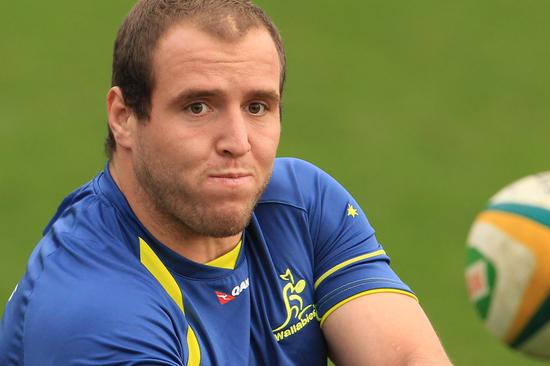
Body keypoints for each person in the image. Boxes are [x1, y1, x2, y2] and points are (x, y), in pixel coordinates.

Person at [0, 0, 452, 364]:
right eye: (198, 107)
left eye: (257, 107)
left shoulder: (300, 207)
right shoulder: (95, 312)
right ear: (124, 118)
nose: (237, 142)